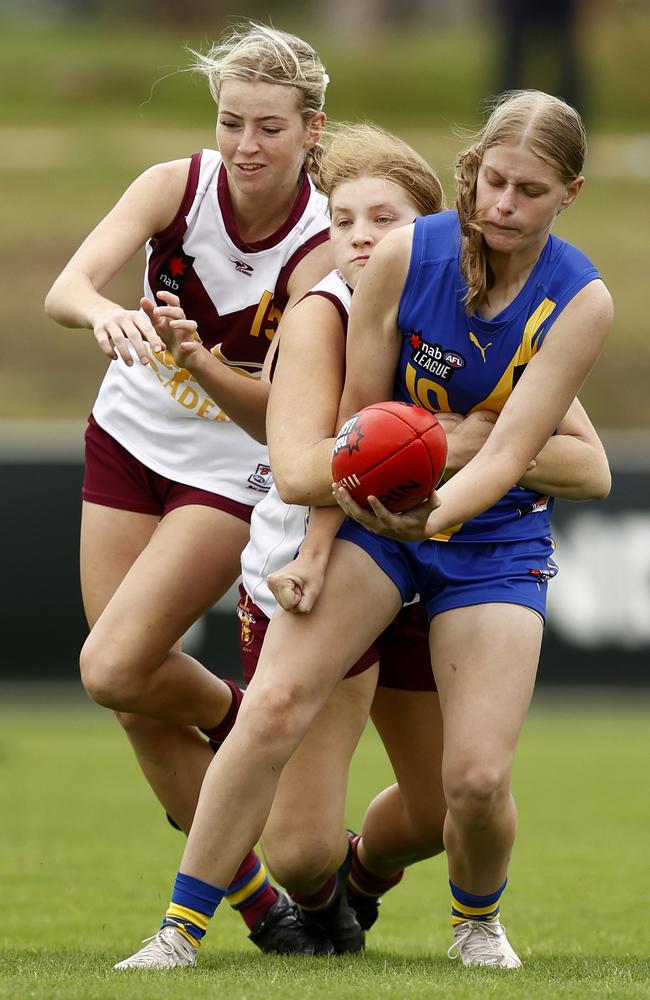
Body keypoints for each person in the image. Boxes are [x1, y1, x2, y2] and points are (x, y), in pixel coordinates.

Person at [113, 91, 612, 970]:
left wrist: (440, 506)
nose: (503, 204)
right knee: (269, 706)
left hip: (490, 535)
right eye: (492, 181)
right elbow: (357, 422)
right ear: (469, 175)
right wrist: (319, 546)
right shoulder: (404, 260)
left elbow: (512, 459)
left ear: (568, 194)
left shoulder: (579, 300)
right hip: (378, 520)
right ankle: (177, 933)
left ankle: (476, 923)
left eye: (528, 192)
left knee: (476, 781)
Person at [44, 22, 333, 951]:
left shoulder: (323, 246)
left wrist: (196, 359)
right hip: (125, 437)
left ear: (312, 130)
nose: (245, 147)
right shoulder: (178, 185)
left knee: (114, 666)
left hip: (230, 468)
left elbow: (274, 415)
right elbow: (69, 286)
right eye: (231, 122)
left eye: (269, 128)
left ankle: (241, 722)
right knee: (132, 697)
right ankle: (265, 913)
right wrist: (107, 313)